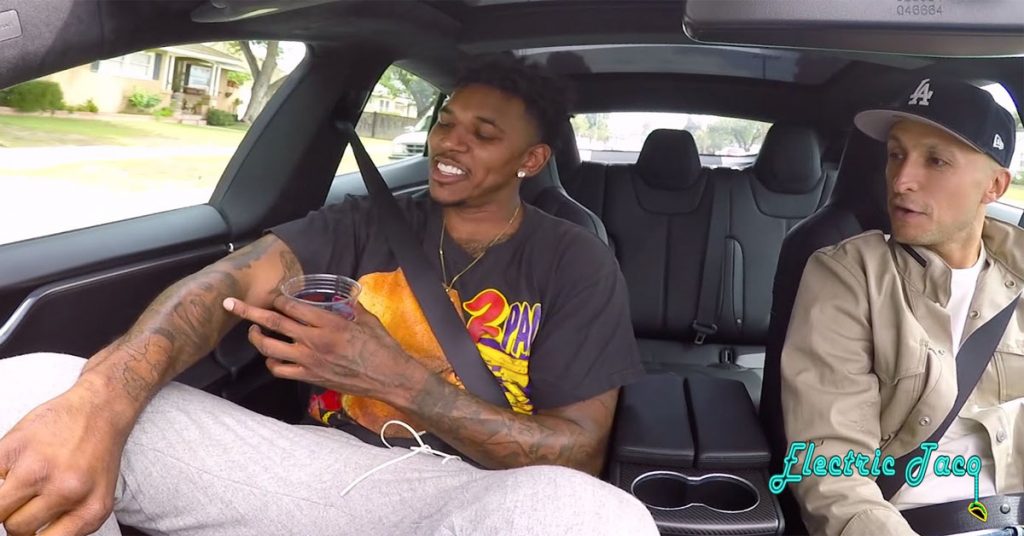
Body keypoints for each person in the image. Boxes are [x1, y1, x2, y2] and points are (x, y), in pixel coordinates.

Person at [0, 56, 658, 536]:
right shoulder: (367, 222)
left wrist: (395, 377)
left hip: (477, 494)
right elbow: (226, 280)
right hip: (309, 469)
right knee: (33, 392)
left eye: (483, 135)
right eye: (446, 121)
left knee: (596, 518)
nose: (450, 143)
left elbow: (577, 454)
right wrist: (103, 400)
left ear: (530, 160)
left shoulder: (575, 260)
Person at [781, 77, 1021, 535]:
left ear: (994, 185)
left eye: (935, 160)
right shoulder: (851, 275)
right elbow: (831, 466)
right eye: (895, 155)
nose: (901, 180)